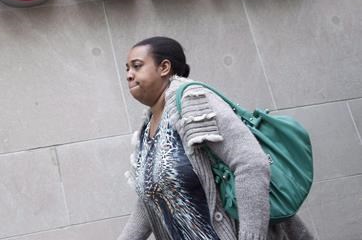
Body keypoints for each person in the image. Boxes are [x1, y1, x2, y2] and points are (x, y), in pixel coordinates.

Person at [118, 36, 314, 240]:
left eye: (137, 66)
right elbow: (152, 198)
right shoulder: (146, 129)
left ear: (164, 67)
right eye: (127, 69)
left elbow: (251, 164)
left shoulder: (191, 101)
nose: (129, 75)